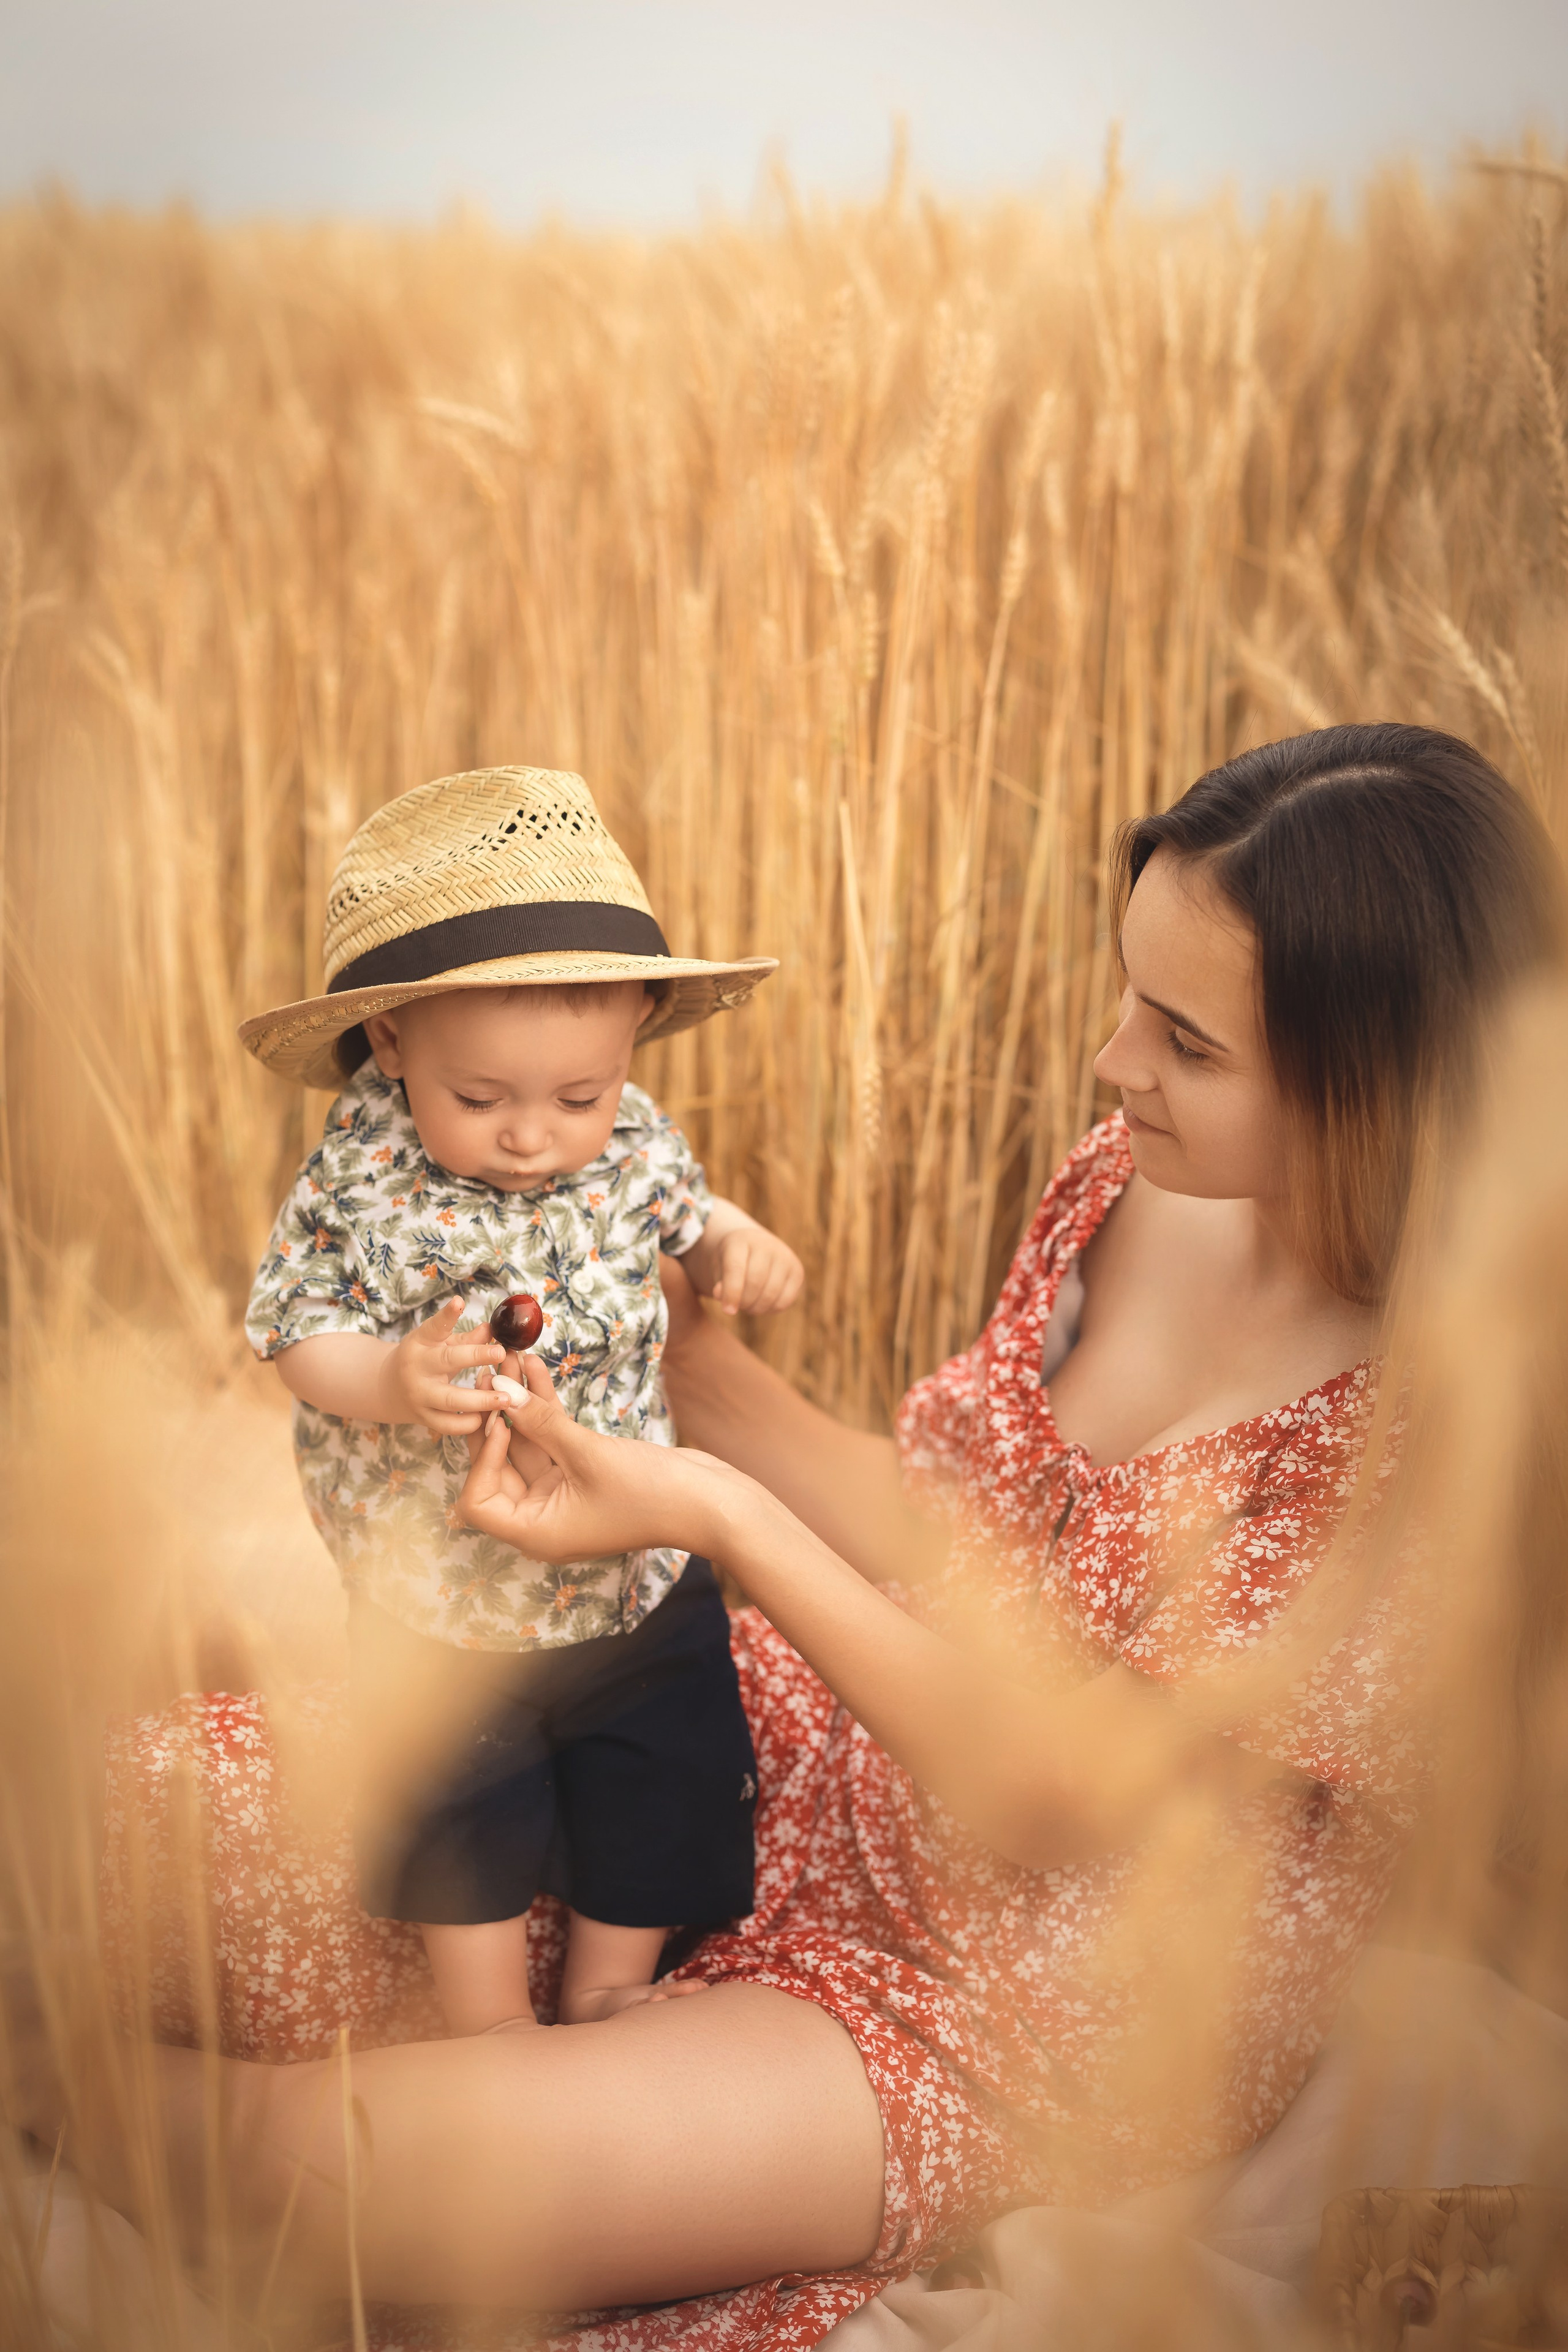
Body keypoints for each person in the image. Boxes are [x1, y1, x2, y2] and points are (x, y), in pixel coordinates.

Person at [80, 723, 1563, 2350]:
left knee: (326, 2175)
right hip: (799, 1754)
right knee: (129, 1840)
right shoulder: (1137, 1186)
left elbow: (1058, 1791)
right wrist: (687, 1374)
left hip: (1031, 1993)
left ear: (1379, 1091)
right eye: (1131, 992)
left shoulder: (1451, 1434)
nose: (1112, 1062)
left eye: (1188, 1042)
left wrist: (713, 1513)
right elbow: (959, 1533)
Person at [241, 764, 802, 2035]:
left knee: (668, 1768)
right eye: (480, 1099)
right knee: (457, 1809)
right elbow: (293, 1330)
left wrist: (724, 1241)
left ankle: (613, 1982)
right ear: (389, 1042)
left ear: (631, 1045)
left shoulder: (636, 1136)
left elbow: (677, 1206)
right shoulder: (361, 1176)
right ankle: (485, 2020)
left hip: (627, 1571)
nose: (533, 1138)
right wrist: (387, 1375)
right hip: (441, 1595)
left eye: (579, 1097)